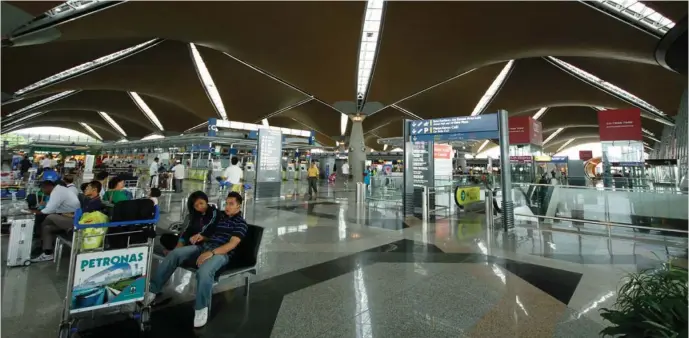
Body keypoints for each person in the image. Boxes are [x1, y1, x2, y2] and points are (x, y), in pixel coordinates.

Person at [147, 191, 247, 328]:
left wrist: (211, 253)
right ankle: (153, 290)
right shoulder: (222, 218)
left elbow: (231, 244)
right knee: (175, 254)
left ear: (239, 207)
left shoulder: (241, 223)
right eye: (226, 203)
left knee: (204, 272)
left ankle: (201, 308)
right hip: (204, 247)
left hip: (220, 254)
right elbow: (211, 235)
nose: (227, 206)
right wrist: (202, 238)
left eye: (231, 204)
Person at [30, 180, 81, 262]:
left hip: (74, 221)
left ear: (47, 187)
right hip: (65, 217)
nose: (43, 192)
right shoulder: (58, 190)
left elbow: (49, 210)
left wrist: (33, 212)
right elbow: (51, 206)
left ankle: (38, 243)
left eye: (42, 190)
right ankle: (47, 253)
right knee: (47, 228)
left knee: (47, 217)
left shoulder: (57, 192)